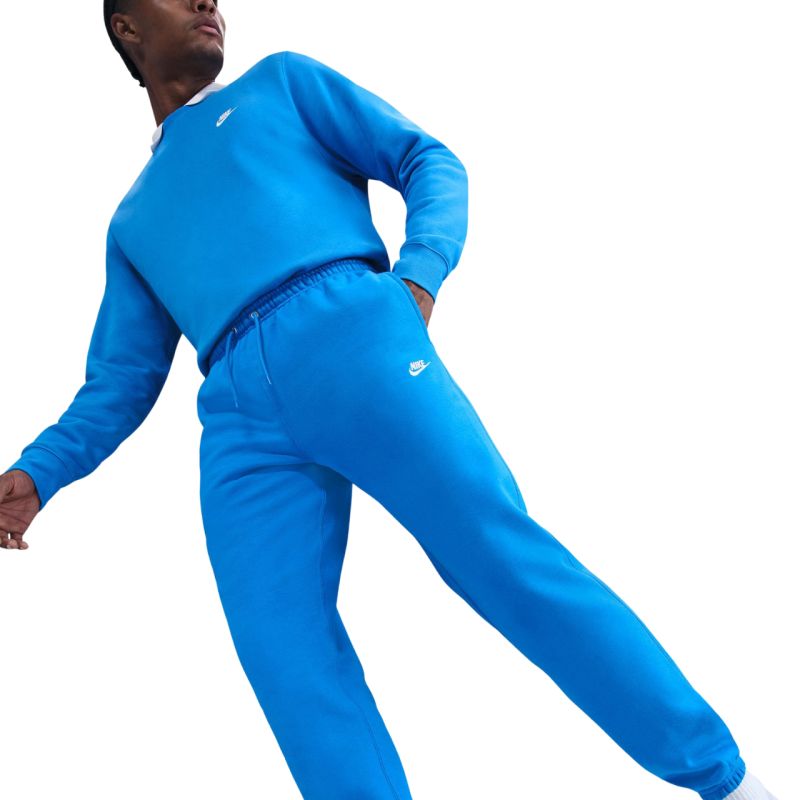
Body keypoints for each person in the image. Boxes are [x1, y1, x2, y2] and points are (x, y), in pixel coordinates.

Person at [0, 2, 779, 799]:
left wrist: (420, 274)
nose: (208, 1)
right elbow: (120, 381)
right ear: (126, 28)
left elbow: (426, 158)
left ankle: (728, 780)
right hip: (238, 415)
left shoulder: (282, 84)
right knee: (282, 651)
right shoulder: (132, 221)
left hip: (351, 337)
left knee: (499, 557)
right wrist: (37, 474)